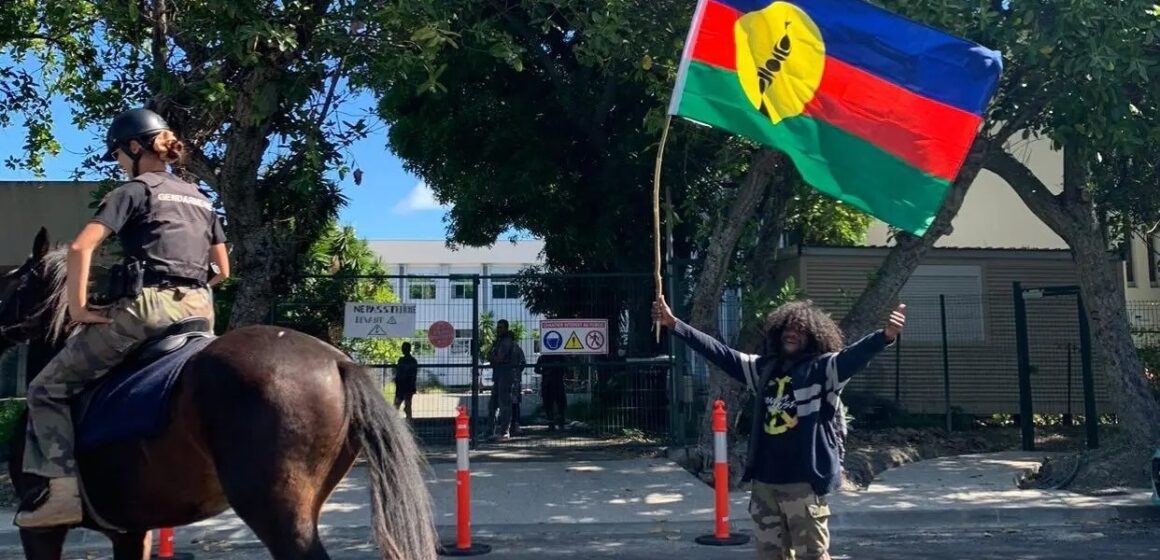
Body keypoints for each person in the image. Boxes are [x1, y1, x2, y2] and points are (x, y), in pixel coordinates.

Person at [16, 108, 229, 528]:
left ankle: (60, 493)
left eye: (117, 154)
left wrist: (79, 310)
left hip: (148, 310)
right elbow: (222, 270)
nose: (117, 162)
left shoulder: (133, 190)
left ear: (134, 147)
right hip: (201, 310)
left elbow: (80, 249)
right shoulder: (201, 199)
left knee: (46, 388)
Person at [652, 296, 905, 560]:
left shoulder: (823, 369)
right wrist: (675, 324)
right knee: (769, 555)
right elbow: (720, 353)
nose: (791, 334)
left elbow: (855, 356)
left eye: (799, 330)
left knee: (813, 556)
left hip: (803, 483)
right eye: (787, 328)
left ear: (814, 336)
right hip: (765, 484)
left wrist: (885, 336)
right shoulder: (764, 369)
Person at [485, 319, 518, 440]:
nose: (498, 330)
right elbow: (492, 356)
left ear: (506, 328)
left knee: (504, 404)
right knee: (492, 404)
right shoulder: (499, 341)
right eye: (497, 327)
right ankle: (490, 431)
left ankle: (504, 432)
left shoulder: (506, 341)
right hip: (499, 374)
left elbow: (498, 357)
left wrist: (492, 356)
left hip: (505, 374)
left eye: (500, 327)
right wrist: (493, 356)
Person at [535, 353, 569, 431]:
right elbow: (536, 370)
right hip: (549, 383)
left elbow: (567, 369)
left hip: (556, 383)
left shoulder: (560, 356)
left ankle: (560, 423)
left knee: (560, 403)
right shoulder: (543, 357)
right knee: (549, 404)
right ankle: (552, 423)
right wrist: (545, 372)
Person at [394, 342, 418, 419]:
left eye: (404, 348)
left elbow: (399, 373)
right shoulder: (413, 360)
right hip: (407, 386)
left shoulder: (402, 360)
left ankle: (394, 421)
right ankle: (408, 420)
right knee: (405, 405)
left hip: (403, 386)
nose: (403, 350)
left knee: (397, 405)